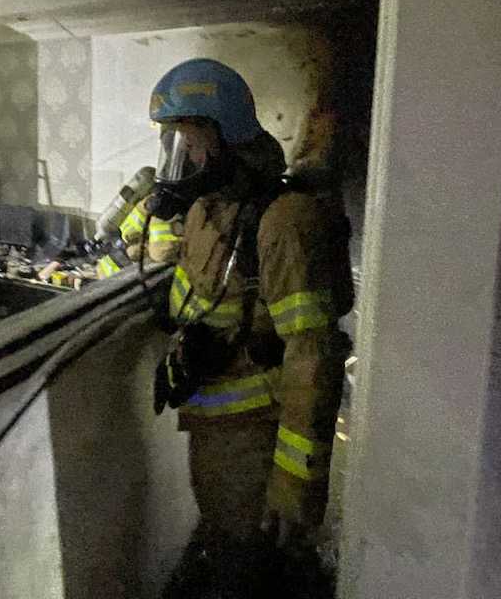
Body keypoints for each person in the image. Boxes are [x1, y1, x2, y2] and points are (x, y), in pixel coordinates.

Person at [148, 59, 353, 598]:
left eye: (190, 144)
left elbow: (314, 356)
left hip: (256, 443)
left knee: (245, 568)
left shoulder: (284, 223)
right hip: (211, 428)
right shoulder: (206, 211)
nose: (183, 160)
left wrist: (293, 487)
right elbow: (194, 287)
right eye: (174, 146)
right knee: (222, 541)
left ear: (225, 137)